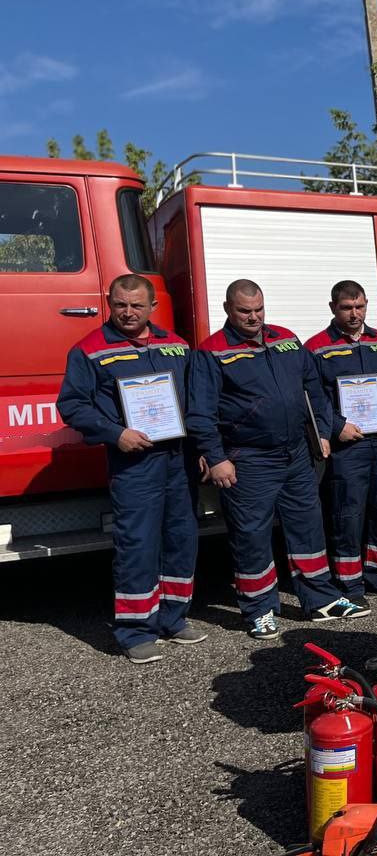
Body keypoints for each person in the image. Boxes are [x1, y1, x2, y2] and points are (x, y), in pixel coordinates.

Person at [188, 280, 368, 639]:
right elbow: (199, 413)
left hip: (297, 454)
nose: (253, 317)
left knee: (308, 526)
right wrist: (216, 457)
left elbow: (312, 387)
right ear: (227, 309)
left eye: (258, 309)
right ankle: (259, 609)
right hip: (248, 458)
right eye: (244, 311)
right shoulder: (212, 352)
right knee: (251, 535)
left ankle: (320, 599)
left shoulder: (285, 338)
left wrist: (320, 431)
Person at [56, 274, 205, 664]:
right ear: (109, 302)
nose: (128, 312)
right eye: (120, 304)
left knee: (181, 538)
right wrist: (115, 433)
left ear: (152, 307)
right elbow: (72, 405)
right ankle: (135, 629)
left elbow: (195, 400)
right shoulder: (89, 350)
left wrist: (204, 446)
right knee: (137, 544)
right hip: (134, 462)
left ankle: (173, 617)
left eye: (137, 305)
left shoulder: (176, 346)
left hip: (178, 458)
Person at [305, 280, 377, 604]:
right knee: (347, 515)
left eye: (360, 307)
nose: (354, 314)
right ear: (333, 308)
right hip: (346, 446)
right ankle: (350, 583)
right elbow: (314, 397)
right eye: (347, 308)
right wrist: (336, 426)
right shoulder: (317, 347)